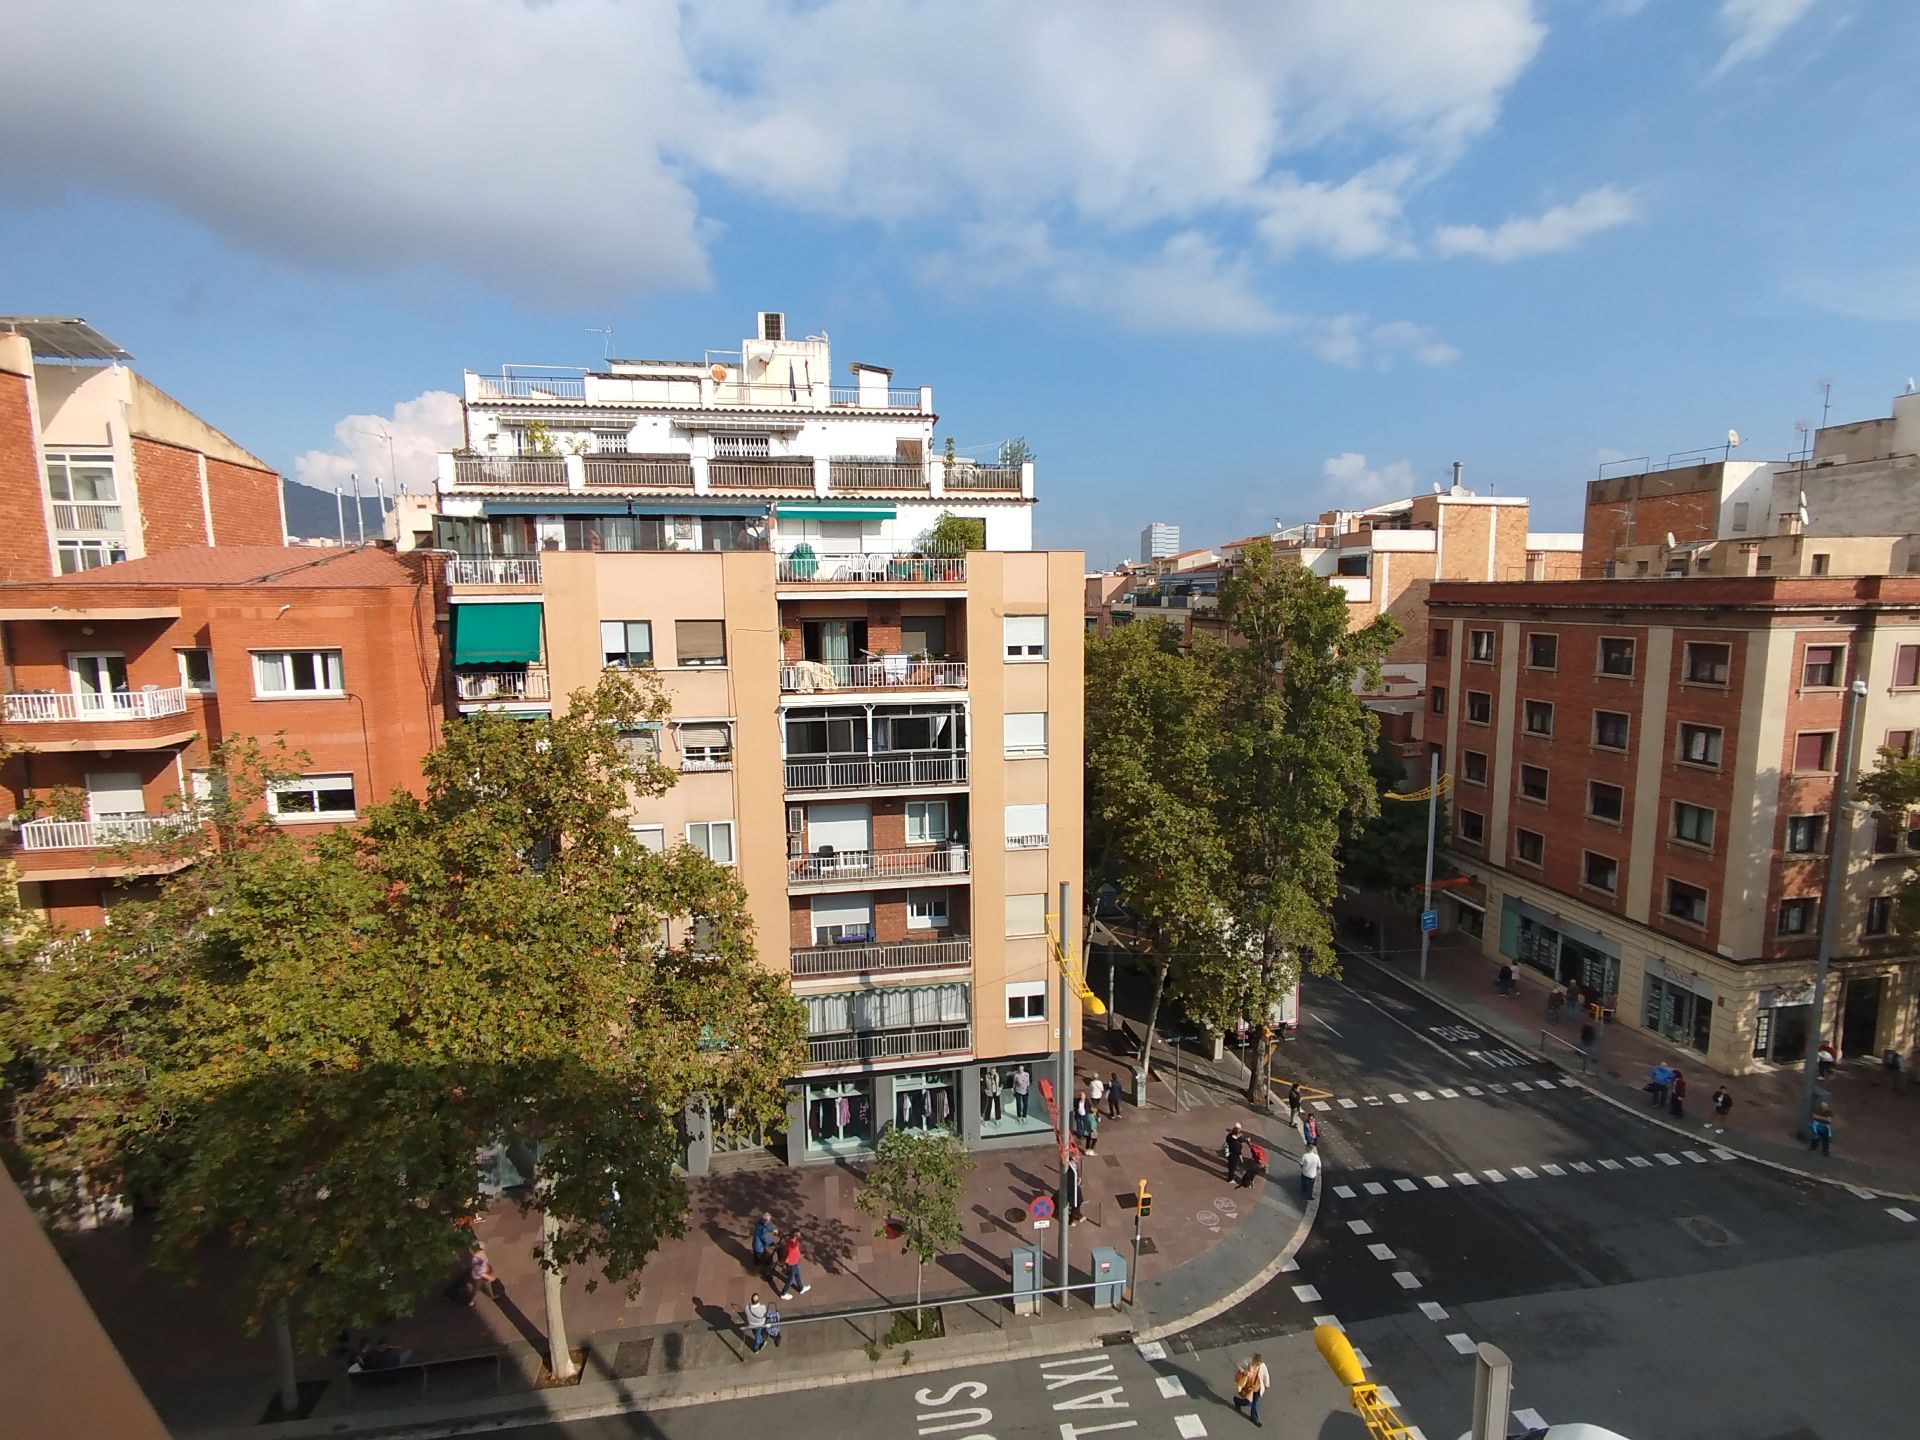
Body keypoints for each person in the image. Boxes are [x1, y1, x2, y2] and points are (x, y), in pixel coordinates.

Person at [1233, 1352, 1271, 1427]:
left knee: (1255, 1404)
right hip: (1249, 1387)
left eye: (1259, 1363)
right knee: (1248, 1403)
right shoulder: (1247, 1362)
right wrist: (1244, 1371)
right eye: (1257, 1363)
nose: (1258, 1365)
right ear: (1254, 1360)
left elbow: (1266, 1374)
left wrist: (1267, 1384)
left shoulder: (1262, 1366)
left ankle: (1254, 1418)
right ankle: (1237, 1401)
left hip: (1257, 1388)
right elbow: (1238, 1364)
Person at [464, 1243, 498, 1308]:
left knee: (486, 1286)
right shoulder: (476, 1260)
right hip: (477, 1278)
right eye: (482, 1249)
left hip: (482, 1275)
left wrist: (487, 1268)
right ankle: (468, 1301)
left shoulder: (481, 1255)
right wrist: (489, 1277)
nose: (484, 1249)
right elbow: (480, 1273)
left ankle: (491, 1296)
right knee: (475, 1289)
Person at [779, 1231, 811, 1299]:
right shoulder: (792, 1246)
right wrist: (787, 1261)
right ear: (795, 1237)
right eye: (799, 1235)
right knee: (790, 1280)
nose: (800, 1236)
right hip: (792, 1265)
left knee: (797, 1275)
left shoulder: (792, 1241)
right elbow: (788, 1256)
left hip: (795, 1263)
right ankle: (783, 1294)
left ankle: (801, 1288)